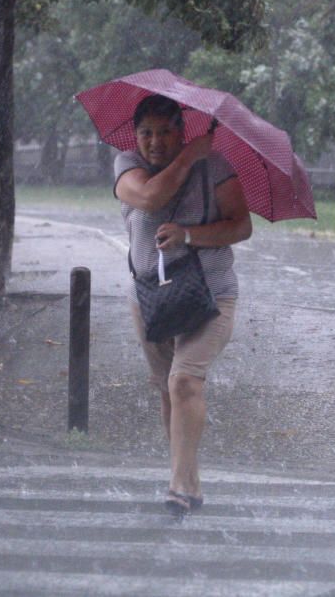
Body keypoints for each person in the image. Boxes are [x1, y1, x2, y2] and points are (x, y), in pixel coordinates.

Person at [113, 94, 252, 515]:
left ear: (182, 131)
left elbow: (241, 225)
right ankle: (189, 482)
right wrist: (189, 157)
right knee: (166, 391)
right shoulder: (126, 167)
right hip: (152, 298)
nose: (155, 141)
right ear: (135, 136)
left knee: (184, 382)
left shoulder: (217, 169)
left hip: (210, 295)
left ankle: (176, 487)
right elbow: (152, 198)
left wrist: (189, 235)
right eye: (146, 133)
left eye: (166, 132)